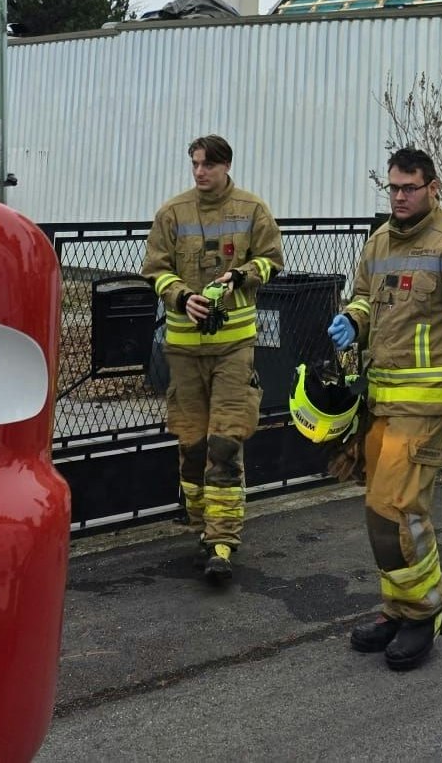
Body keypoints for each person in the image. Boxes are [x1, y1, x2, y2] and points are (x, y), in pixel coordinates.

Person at [327, 148, 442, 671]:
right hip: (382, 402)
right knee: (382, 513)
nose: (399, 197)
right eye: (394, 188)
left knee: (398, 509)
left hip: (426, 409)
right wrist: (353, 320)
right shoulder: (379, 241)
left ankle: (425, 614)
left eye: (409, 188)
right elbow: (364, 297)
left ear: (433, 186)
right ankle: (399, 609)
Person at [142, 135, 285, 583]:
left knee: (225, 442)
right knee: (191, 444)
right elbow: (155, 269)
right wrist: (181, 296)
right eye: (195, 164)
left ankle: (222, 542)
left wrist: (241, 275)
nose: (200, 172)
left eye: (207, 164)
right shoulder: (172, 213)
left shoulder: (252, 210)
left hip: (233, 349)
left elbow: (272, 260)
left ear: (226, 166)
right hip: (184, 351)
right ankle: (201, 524)